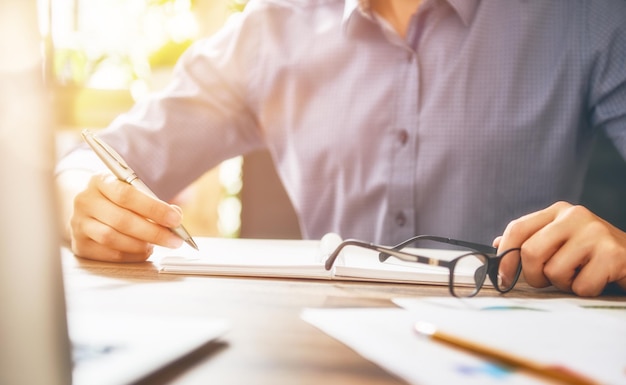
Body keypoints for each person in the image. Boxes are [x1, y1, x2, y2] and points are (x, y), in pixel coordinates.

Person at [55, 0, 626, 297]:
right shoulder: (270, 31)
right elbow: (91, 160)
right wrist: (84, 201)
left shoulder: (584, 19)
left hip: (514, 347)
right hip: (328, 351)